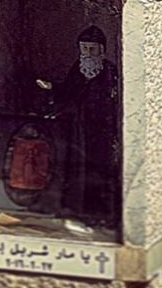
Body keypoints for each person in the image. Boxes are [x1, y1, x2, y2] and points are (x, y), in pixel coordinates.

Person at [36, 25, 119, 226]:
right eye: (84, 49)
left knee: (100, 170)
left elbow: (114, 101)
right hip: (79, 129)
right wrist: (52, 88)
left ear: (102, 50)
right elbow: (68, 91)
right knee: (78, 168)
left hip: (101, 130)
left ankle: (101, 213)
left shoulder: (109, 71)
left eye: (93, 49)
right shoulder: (78, 68)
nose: (88, 53)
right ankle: (75, 210)